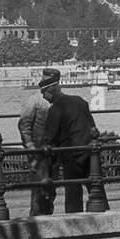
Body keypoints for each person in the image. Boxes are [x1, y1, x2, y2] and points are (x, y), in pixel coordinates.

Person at [43, 76, 98, 214]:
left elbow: (50, 137)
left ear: (51, 91)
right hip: (89, 150)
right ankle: (102, 210)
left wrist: (48, 156)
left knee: (73, 191)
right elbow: (92, 126)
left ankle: (75, 219)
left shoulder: (55, 109)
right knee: (96, 187)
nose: (43, 97)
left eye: (44, 93)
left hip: (71, 154)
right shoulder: (80, 101)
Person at [18, 68, 59, 215]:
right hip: (39, 152)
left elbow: (24, 126)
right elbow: (24, 126)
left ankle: (45, 216)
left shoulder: (40, 100)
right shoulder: (34, 101)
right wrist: (31, 148)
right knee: (39, 190)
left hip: (51, 151)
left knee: (50, 189)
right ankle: (37, 218)